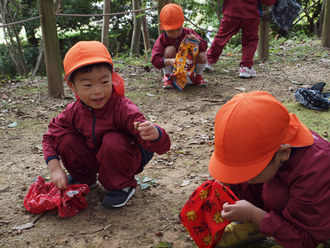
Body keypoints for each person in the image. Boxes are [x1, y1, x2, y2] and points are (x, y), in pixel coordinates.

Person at [42, 41, 171, 208]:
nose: (98, 91)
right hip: (98, 156)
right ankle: (85, 178)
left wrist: (155, 134)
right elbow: (51, 136)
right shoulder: (73, 111)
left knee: (112, 139)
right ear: (72, 86)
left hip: (128, 156)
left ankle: (122, 185)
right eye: (88, 85)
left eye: (104, 82)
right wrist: (55, 169)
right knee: (65, 139)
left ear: (112, 77)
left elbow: (160, 145)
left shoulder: (123, 108)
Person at [208, 91, 330, 248]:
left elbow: (306, 238)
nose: (245, 178)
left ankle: (285, 236)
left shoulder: (316, 169)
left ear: (284, 153)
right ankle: (256, 226)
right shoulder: (276, 138)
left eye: (251, 171)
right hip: (289, 193)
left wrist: (255, 215)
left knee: (274, 192)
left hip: (309, 227)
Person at [205, 0, 278, 78]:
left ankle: (208, 61)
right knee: (250, 40)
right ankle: (245, 67)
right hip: (251, 13)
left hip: (231, 11)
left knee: (222, 37)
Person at [151, 3, 208, 89]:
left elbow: (204, 48)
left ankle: (198, 76)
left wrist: (198, 41)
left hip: (189, 64)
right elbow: (155, 59)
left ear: (183, 23)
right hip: (173, 66)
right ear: (162, 27)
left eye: (178, 29)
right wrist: (170, 61)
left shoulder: (189, 33)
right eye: (170, 31)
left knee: (203, 55)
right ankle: (168, 77)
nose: (175, 33)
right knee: (170, 49)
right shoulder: (162, 39)